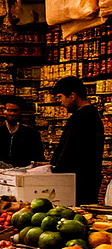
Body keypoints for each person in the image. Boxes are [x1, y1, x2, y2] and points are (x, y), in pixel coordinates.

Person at [50, 77, 104, 205]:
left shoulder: (83, 118)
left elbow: (69, 151)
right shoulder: (88, 115)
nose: (60, 102)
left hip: (78, 183)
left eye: (60, 97)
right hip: (84, 181)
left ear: (73, 95)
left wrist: (54, 170)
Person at [0, 96, 45, 177]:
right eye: (8, 110)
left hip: (23, 177)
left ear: (21, 112)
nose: (11, 113)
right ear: (4, 112)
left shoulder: (32, 134)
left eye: (15, 111)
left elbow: (38, 159)